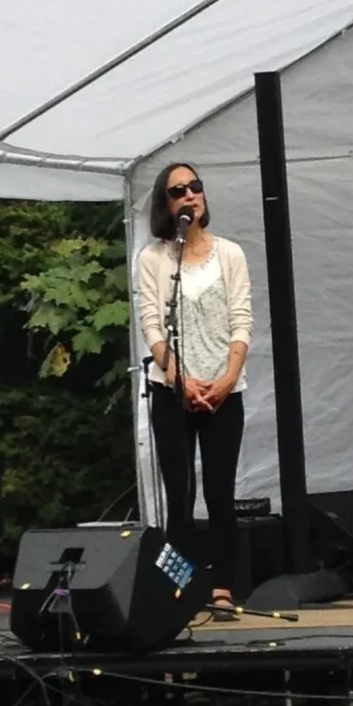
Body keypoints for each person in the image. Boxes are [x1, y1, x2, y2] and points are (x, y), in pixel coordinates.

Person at [135, 163, 252, 618]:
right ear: (166, 205)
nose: (190, 195)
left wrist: (224, 380)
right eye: (178, 190)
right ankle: (179, 588)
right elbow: (152, 325)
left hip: (224, 389)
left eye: (195, 187)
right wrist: (180, 379)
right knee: (179, 492)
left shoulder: (230, 254)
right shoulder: (155, 258)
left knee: (221, 492)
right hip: (172, 391)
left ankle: (223, 586)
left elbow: (242, 321)